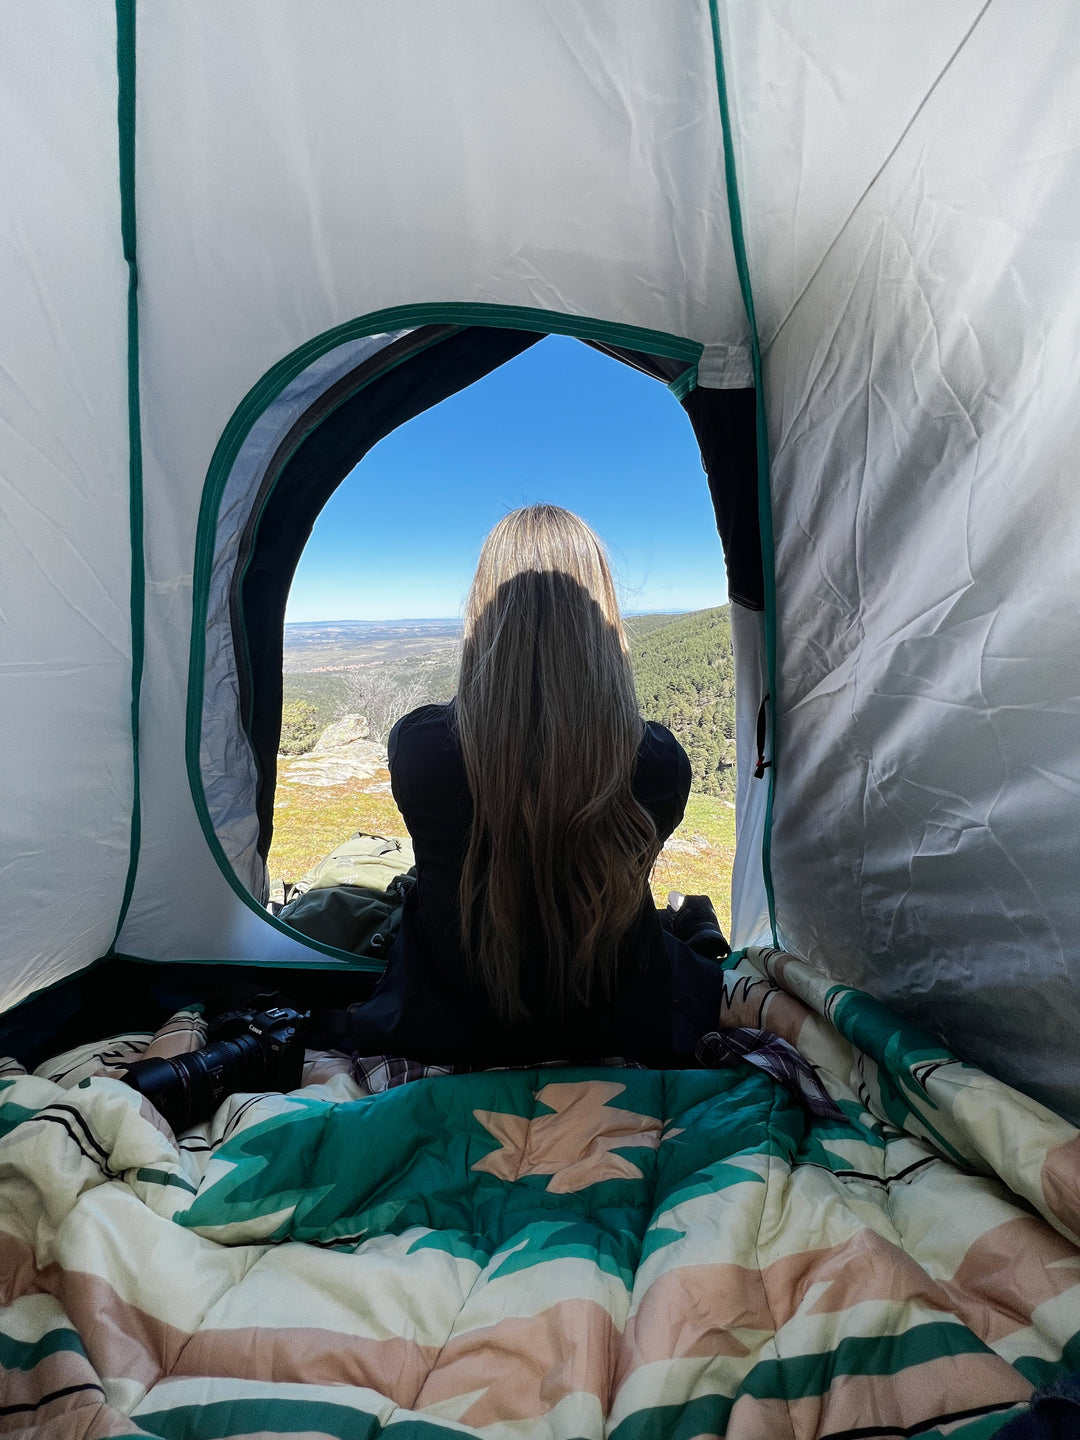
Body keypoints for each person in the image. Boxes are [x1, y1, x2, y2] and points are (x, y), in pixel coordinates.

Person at [344, 504, 729, 1067]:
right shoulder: (659, 763)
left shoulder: (420, 749)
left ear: (483, 613)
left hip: (452, 1026)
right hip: (622, 1024)